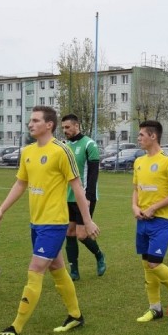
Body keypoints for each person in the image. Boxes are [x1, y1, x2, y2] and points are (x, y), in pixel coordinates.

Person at [0, 106, 99, 335]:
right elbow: (20, 184)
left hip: (54, 222)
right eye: (30, 120)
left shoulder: (62, 151)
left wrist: (87, 221)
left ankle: (15, 329)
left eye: (36, 120)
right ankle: (76, 315)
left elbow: (78, 187)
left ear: (49, 125)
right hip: (36, 222)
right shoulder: (28, 151)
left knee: (35, 269)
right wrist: (1, 209)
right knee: (57, 268)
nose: (30, 124)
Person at [132, 121, 168, 321]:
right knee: (147, 265)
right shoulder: (138, 162)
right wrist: (135, 207)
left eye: (141, 135)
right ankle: (155, 308)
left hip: (162, 220)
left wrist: (154, 207)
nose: (139, 138)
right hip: (143, 220)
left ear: (153, 136)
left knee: (154, 263)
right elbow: (136, 190)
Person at [61, 114, 106, 281]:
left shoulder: (89, 144)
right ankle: (74, 271)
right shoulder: (64, 146)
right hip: (66, 197)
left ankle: (100, 255)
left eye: (67, 127)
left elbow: (93, 173)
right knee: (69, 232)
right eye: (63, 128)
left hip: (84, 196)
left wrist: (89, 196)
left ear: (76, 125)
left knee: (81, 234)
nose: (65, 130)